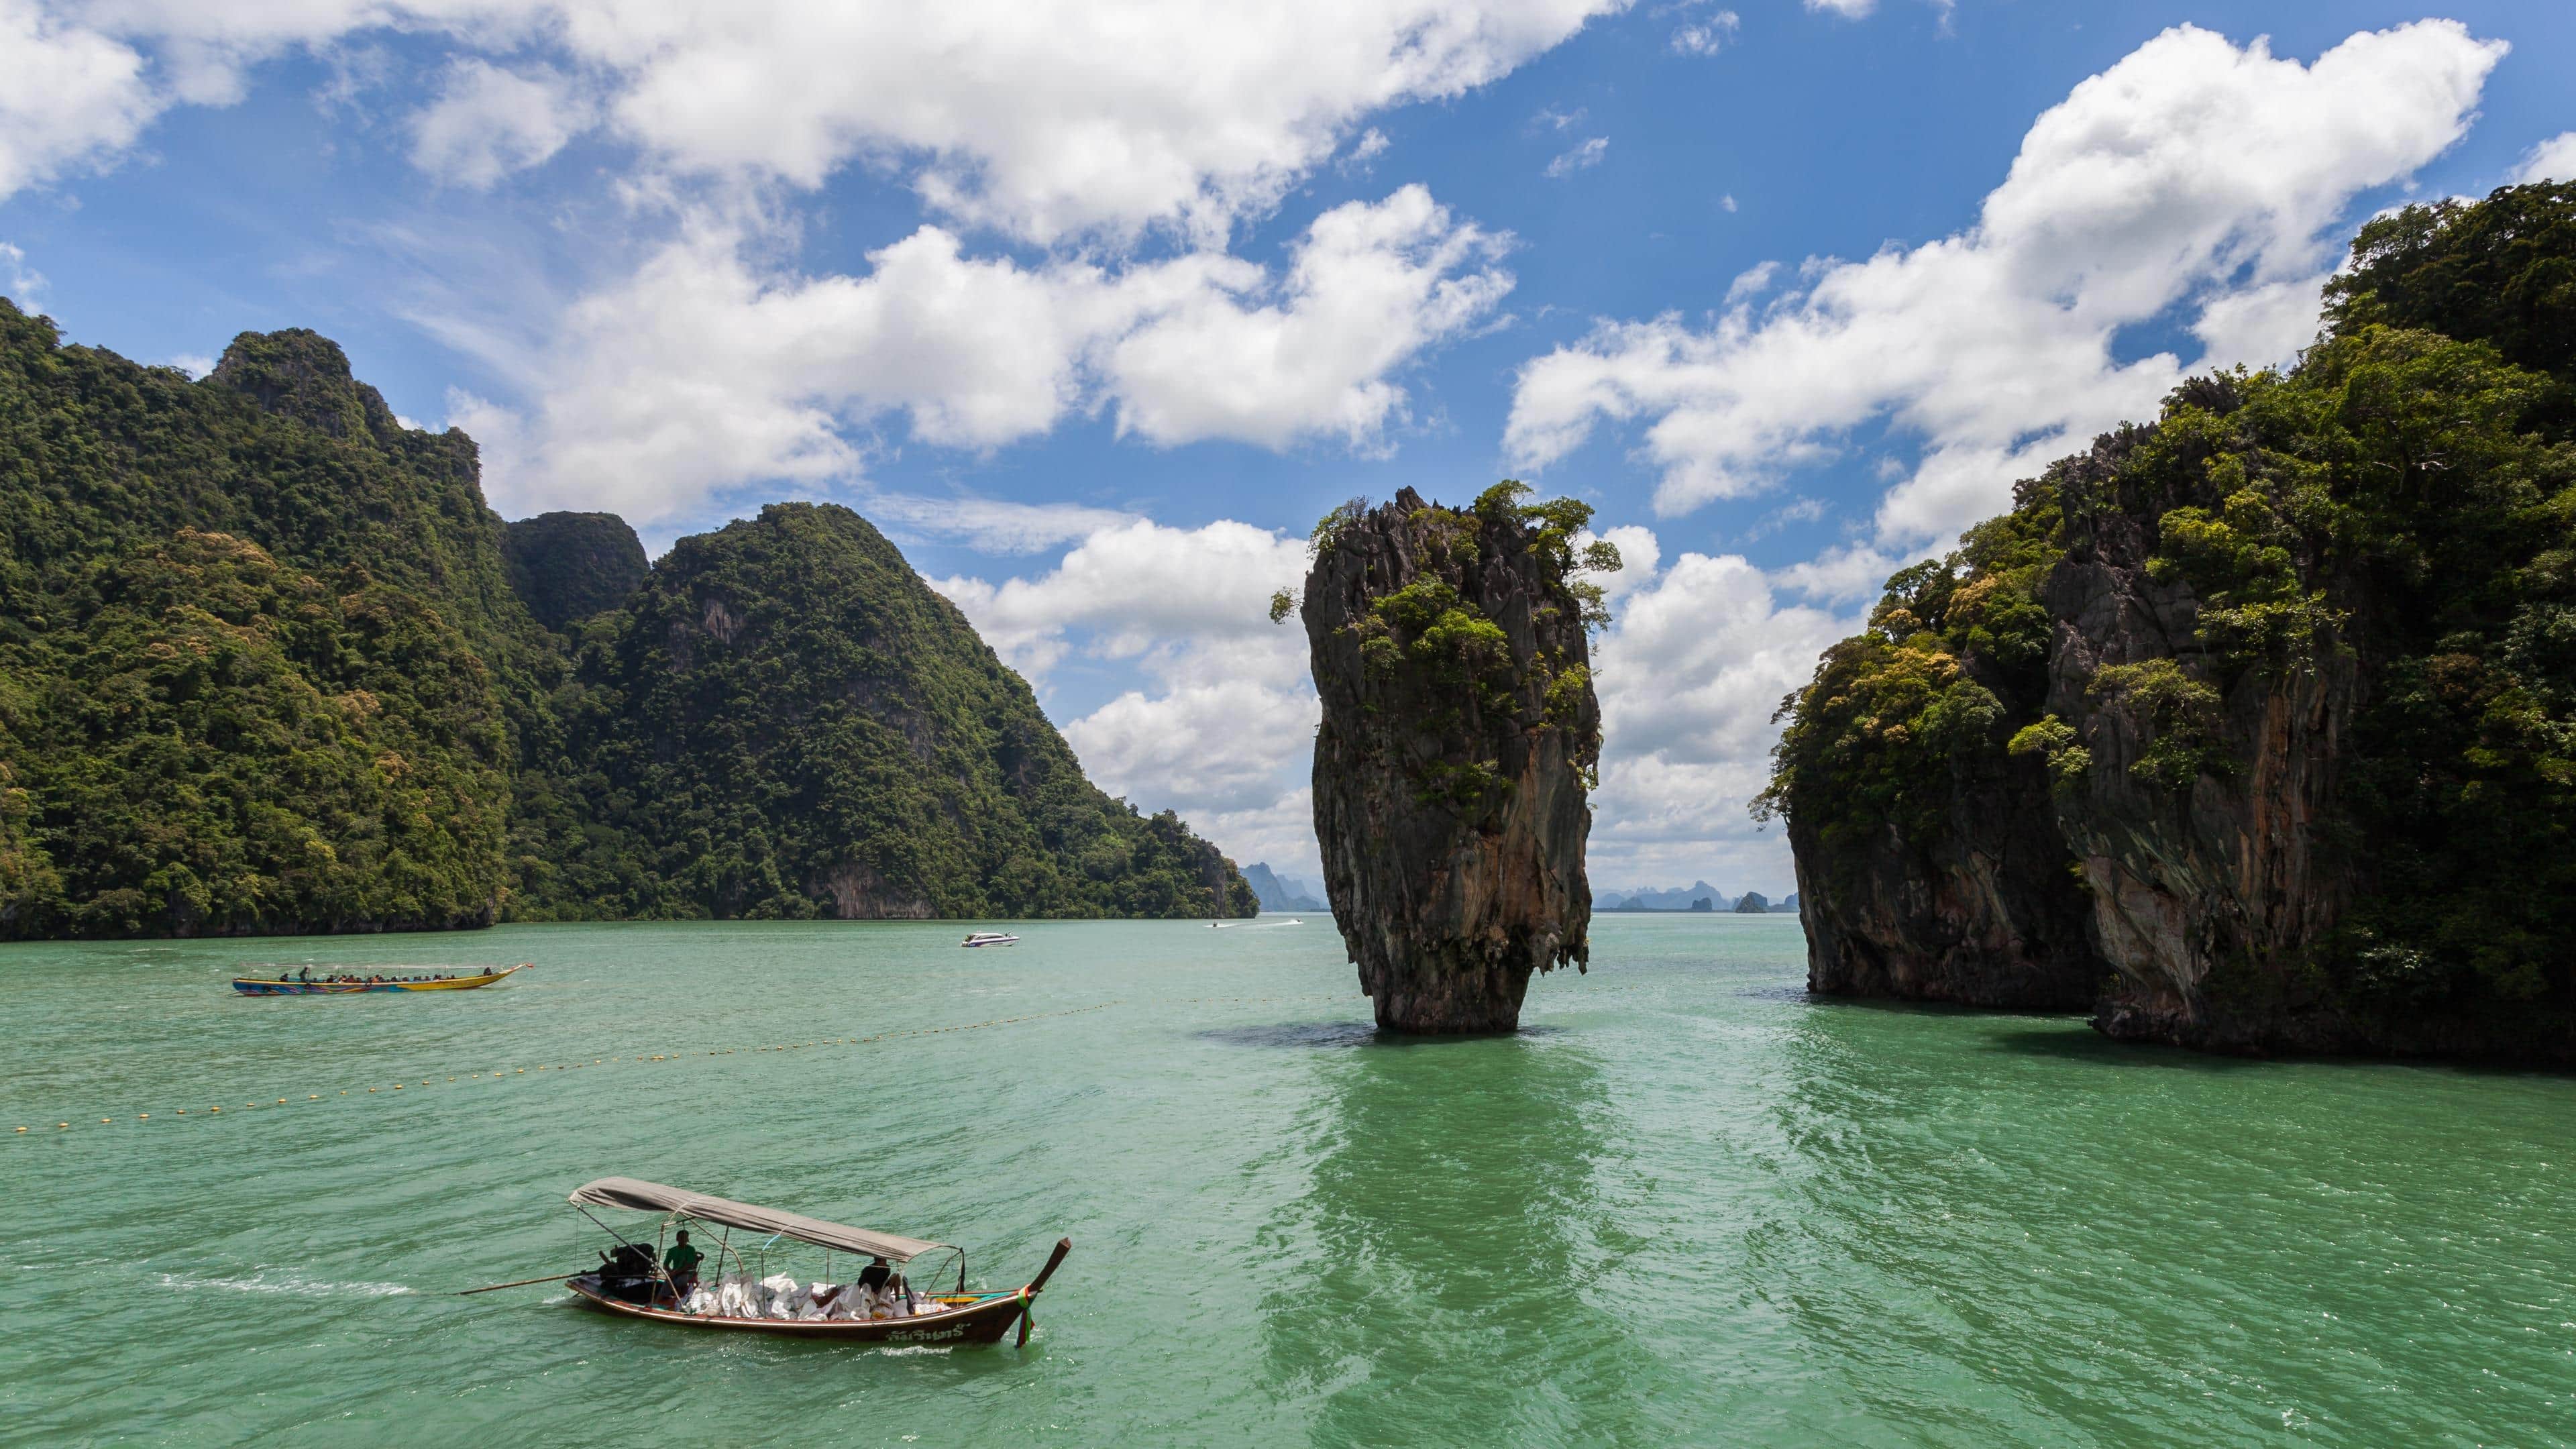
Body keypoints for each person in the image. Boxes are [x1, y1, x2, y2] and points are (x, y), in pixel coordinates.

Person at [665, 1230, 704, 1298]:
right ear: (677, 1239)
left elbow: (689, 1266)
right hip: (675, 1272)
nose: (683, 1240)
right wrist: (671, 1272)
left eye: (685, 1238)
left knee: (681, 1281)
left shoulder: (691, 1249)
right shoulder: (671, 1250)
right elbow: (665, 1265)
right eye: (681, 1238)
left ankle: (683, 1297)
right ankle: (661, 1298)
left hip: (687, 1273)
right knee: (667, 1281)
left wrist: (676, 1272)